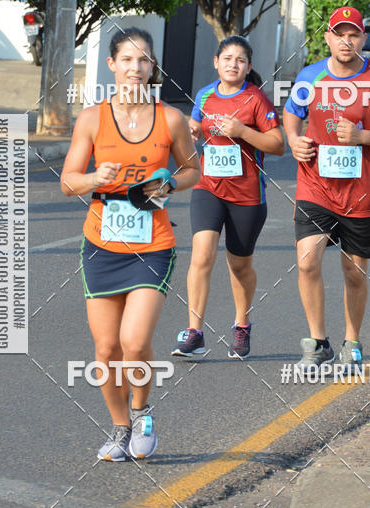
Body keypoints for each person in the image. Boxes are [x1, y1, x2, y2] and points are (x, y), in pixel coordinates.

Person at [61, 28, 200, 461]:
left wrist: (170, 184)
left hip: (152, 242)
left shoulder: (170, 119)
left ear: (152, 67)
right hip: (101, 242)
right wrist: (94, 179)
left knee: (134, 343)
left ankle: (142, 413)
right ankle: (120, 429)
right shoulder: (91, 118)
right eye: (127, 59)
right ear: (112, 65)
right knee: (106, 349)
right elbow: (68, 182)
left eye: (143, 61)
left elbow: (194, 171)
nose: (135, 68)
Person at [283, 6, 370, 371]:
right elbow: (292, 112)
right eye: (339, 33)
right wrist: (293, 139)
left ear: (363, 39)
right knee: (307, 260)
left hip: (362, 190)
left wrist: (361, 136)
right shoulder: (311, 76)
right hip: (315, 184)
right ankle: (317, 342)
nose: (346, 41)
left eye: (353, 34)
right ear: (328, 38)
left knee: (354, 271)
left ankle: (351, 341)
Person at [172, 35, 285, 360]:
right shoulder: (205, 94)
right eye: (227, 58)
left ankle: (242, 325)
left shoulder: (256, 99)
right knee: (201, 256)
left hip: (247, 195)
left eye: (240, 60)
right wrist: (191, 132)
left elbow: (277, 145)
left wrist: (243, 132)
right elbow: (195, 126)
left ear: (248, 67)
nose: (233, 64)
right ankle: (194, 333)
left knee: (239, 265)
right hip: (208, 188)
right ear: (216, 62)